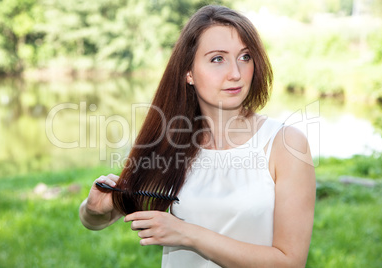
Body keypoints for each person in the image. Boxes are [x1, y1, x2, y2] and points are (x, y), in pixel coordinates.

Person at [79, 5, 315, 268]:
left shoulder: (286, 144)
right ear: (188, 73)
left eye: (245, 57)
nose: (236, 73)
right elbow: (97, 220)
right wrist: (92, 209)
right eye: (218, 59)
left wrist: (189, 234)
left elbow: (291, 262)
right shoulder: (170, 143)